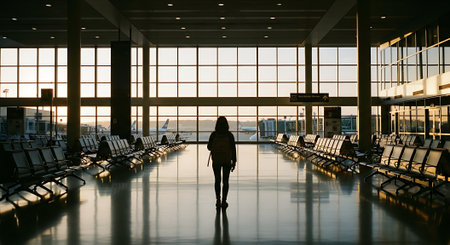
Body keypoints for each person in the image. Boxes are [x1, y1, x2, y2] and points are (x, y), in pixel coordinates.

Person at [208, 116, 237, 208]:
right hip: (227, 160)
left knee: (217, 180)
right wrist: (234, 161)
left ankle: (218, 200)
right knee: (225, 181)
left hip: (216, 160)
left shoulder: (214, 134)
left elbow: (209, 147)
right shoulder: (229, 135)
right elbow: (233, 149)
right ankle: (224, 201)